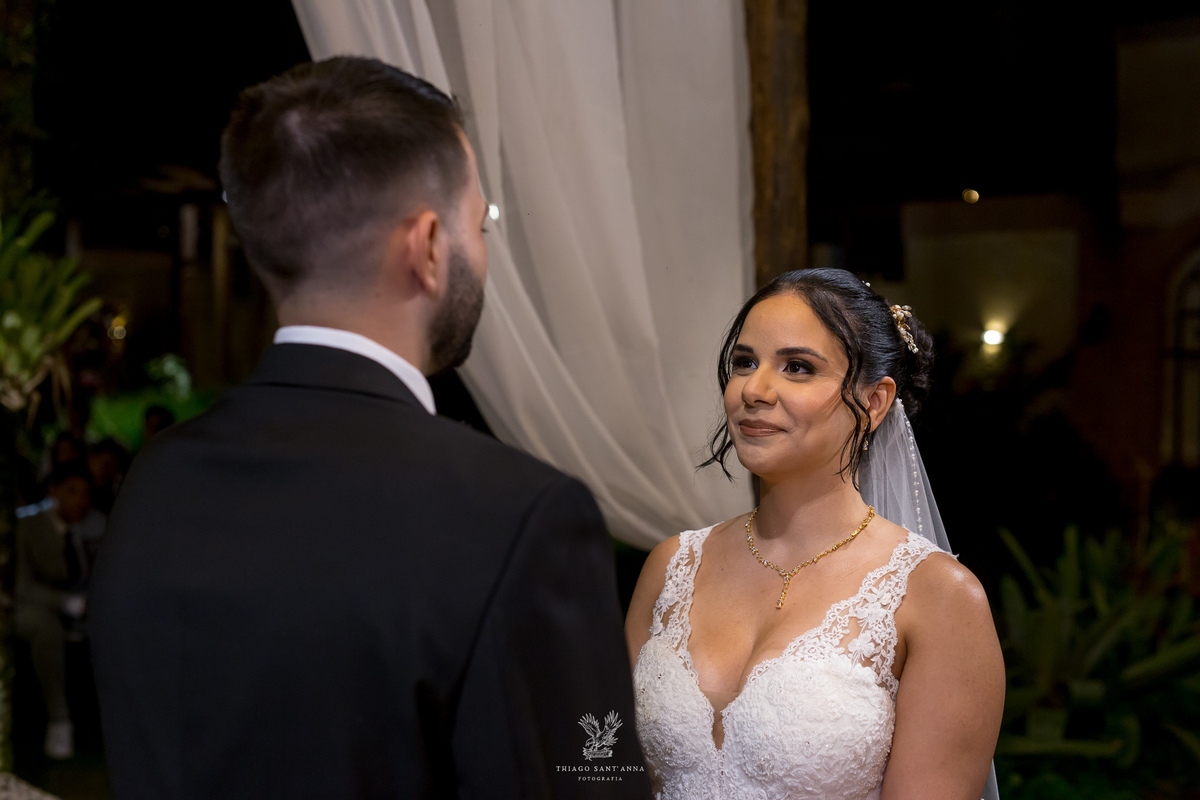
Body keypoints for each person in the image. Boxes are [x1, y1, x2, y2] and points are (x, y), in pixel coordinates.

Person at [90, 57, 649, 799]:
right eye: (480, 222)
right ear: (426, 247)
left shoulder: (157, 481)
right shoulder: (517, 516)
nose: (483, 249)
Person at [626, 268, 1004, 799]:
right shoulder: (671, 566)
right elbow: (604, 768)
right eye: (744, 362)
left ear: (874, 402)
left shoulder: (938, 597)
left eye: (798, 367)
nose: (754, 390)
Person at [15, 461, 104, 759]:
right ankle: (59, 721)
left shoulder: (95, 525)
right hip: (42, 609)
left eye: (86, 493)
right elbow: (23, 586)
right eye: (72, 492)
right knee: (45, 626)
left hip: (86, 610)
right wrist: (70, 604)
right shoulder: (29, 527)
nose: (81, 500)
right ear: (54, 491)